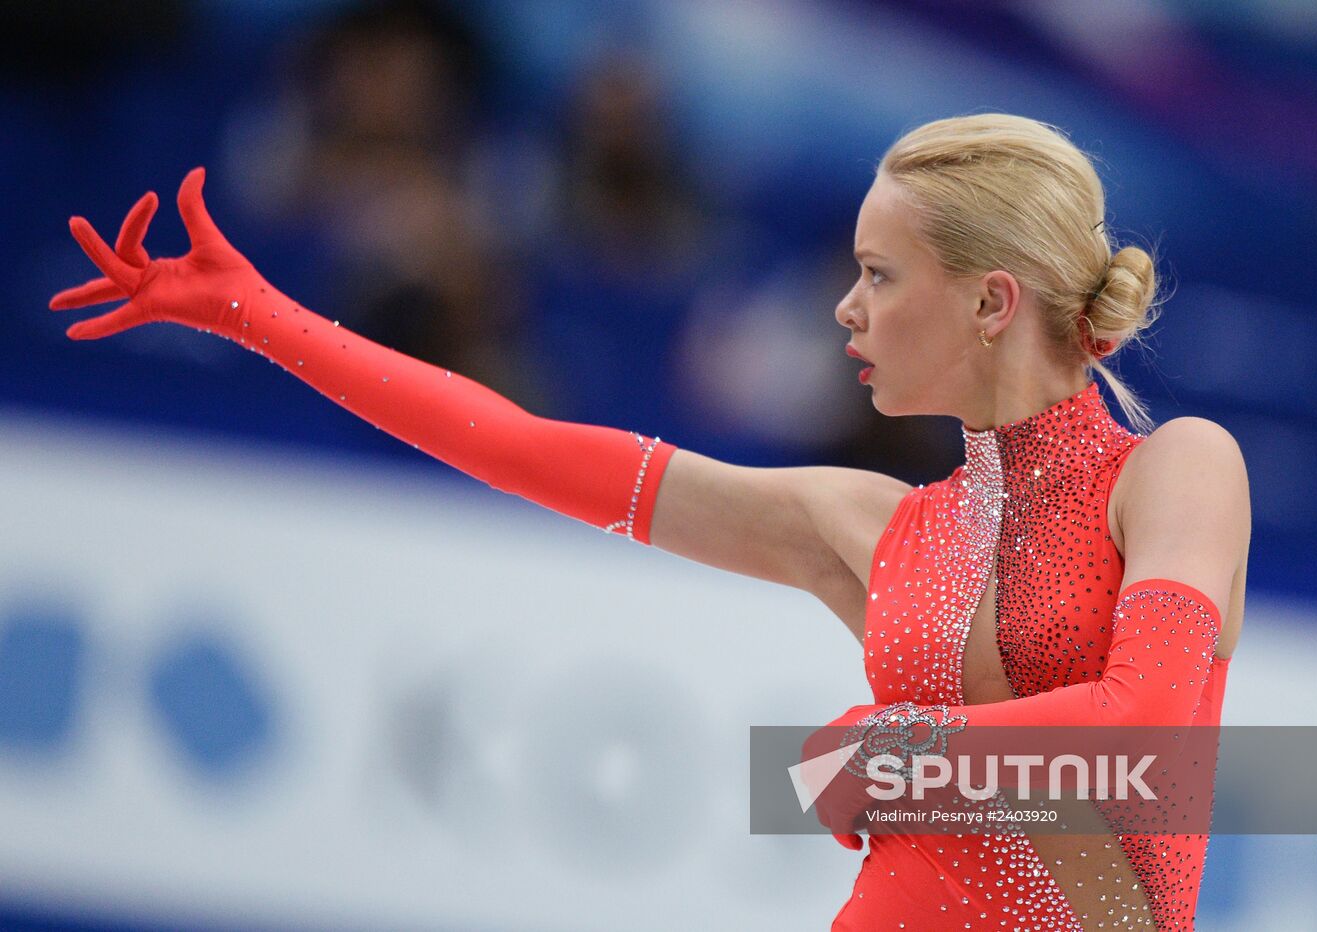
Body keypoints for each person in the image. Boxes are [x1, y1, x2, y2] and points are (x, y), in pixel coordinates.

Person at [50, 113, 1249, 930]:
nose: (843, 307)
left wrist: (886, 752)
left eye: (878, 274)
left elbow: (1138, 730)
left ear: (990, 300)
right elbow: (520, 447)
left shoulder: (1175, 473)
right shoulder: (869, 525)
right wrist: (262, 316)